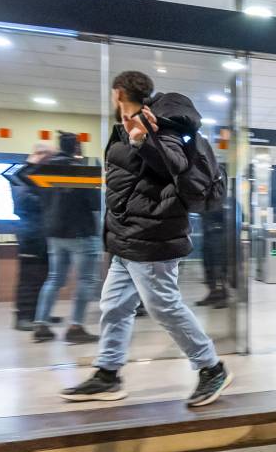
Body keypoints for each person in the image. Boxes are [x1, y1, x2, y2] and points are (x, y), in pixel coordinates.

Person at [62, 71, 230, 406]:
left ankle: (211, 367)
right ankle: (108, 374)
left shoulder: (156, 123)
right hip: (128, 236)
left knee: (164, 306)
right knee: (114, 306)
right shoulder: (127, 126)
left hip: (152, 234)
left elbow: (175, 164)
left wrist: (143, 139)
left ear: (118, 92)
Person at [31, 132, 102, 345]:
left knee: (54, 278)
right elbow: (95, 204)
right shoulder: (81, 170)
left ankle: (41, 324)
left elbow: (40, 201)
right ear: (77, 149)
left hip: (54, 234)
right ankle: (76, 326)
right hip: (81, 233)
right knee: (85, 280)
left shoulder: (44, 170)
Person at [12, 142, 54, 331]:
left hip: (42, 234)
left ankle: (39, 314)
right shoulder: (22, 174)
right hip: (30, 234)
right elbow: (22, 201)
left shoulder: (35, 174)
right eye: (50, 157)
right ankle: (23, 316)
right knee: (29, 277)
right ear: (41, 155)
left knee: (42, 276)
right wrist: (48, 201)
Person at [196, 206, 230, 309]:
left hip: (219, 235)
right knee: (208, 265)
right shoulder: (206, 200)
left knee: (218, 266)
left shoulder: (223, 199)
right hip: (207, 234)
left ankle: (223, 296)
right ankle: (213, 293)